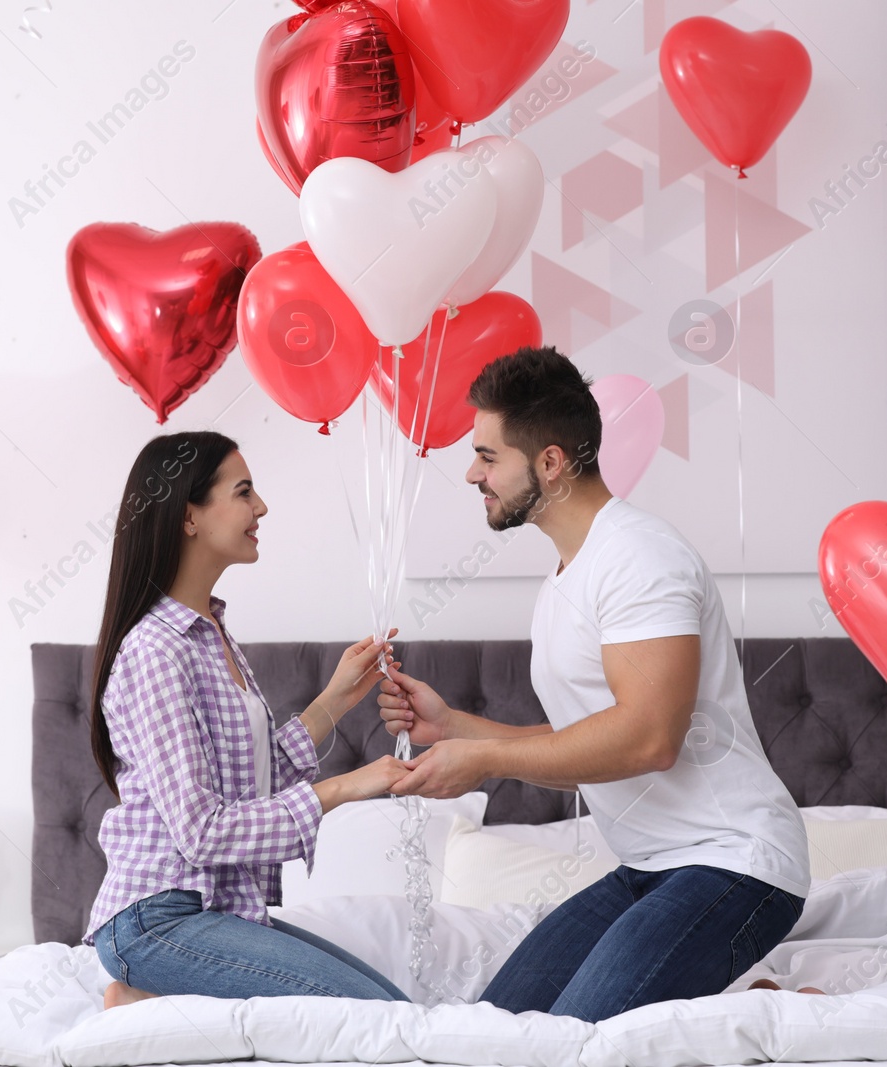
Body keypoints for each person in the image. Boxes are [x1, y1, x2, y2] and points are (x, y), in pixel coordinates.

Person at [377, 347, 815, 1022]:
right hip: (649, 868)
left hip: (735, 864)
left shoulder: (638, 557)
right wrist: (458, 728)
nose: (472, 473)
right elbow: (592, 746)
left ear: (550, 462)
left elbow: (647, 738)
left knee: (565, 1050)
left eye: (488, 456)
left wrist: (487, 758)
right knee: (493, 1031)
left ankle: (773, 1015)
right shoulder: (563, 579)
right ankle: (748, 1004)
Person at [85, 430, 413, 1009]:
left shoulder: (211, 633)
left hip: (212, 910)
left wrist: (334, 700)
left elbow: (248, 788)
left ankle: (143, 998)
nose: (260, 507)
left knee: (390, 1004)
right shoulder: (155, 652)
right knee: (377, 1016)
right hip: (156, 918)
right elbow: (203, 830)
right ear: (189, 516)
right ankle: (142, 986)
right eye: (243, 492)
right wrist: (343, 788)